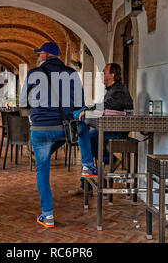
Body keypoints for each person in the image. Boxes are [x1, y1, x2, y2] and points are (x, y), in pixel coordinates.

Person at [20, 42, 87, 228]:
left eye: (38, 54)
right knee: (81, 132)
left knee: (42, 170)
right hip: (63, 128)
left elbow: (23, 102)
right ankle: (87, 167)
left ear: (45, 55)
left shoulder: (34, 74)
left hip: (40, 129)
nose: (37, 57)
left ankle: (47, 215)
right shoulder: (72, 73)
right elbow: (80, 102)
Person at [69, 63, 134, 196]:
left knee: (85, 137)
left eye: (104, 73)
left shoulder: (119, 90)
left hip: (116, 131)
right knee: (84, 134)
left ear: (112, 75)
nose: (102, 76)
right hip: (108, 127)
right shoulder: (112, 89)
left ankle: (89, 179)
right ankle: (103, 163)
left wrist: (87, 110)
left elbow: (106, 107)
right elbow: (103, 107)